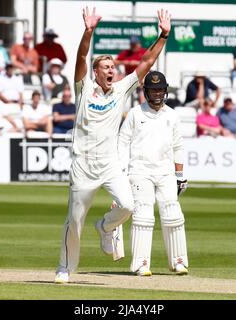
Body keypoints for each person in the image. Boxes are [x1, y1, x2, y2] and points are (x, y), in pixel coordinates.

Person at [55, 6, 172, 284]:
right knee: (74, 222)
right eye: (106, 67)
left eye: (113, 67)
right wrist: (89, 30)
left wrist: (164, 35)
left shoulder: (121, 89)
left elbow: (146, 61)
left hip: (109, 166)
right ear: (95, 72)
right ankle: (64, 268)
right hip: (83, 165)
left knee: (129, 206)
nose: (112, 70)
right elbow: (82, 56)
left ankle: (106, 226)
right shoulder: (83, 88)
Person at [118, 71, 189, 276]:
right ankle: (141, 263)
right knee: (143, 215)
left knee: (173, 214)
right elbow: (122, 144)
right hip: (139, 171)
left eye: (160, 89)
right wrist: (121, 174)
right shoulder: (135, 113)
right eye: (153, 90)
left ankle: (178, 261)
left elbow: (178, 146)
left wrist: (179, 174)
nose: (157, 93)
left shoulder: (172, 115)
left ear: (165, 91)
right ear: (146, 92)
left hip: (166, 172)